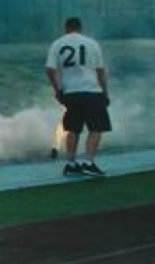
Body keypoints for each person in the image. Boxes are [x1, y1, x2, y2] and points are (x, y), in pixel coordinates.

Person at [45, 17, 110, 177]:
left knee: (72, 129)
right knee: (96, 128)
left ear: (66, 28)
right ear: (80, 28)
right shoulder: (91, 43)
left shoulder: (57, 44)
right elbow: (100, 71)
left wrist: (57, 89)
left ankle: (70, 163)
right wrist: (105, 91)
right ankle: (89, 163)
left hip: (71, 92)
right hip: (91, 91)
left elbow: (49, 69)